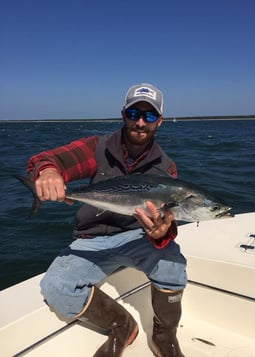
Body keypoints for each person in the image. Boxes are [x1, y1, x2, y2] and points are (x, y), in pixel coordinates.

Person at [27, 83, 187, 357]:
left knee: (173, 264)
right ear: (123, 114)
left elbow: (166, 221)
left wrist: (161, 234)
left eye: (149, 116)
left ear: (159, 121)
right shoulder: (97, 147)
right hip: (92, 238)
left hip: (139, 237)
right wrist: (48, 171)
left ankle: (164, 338)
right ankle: (121, 326)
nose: (140, 122)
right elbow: (45, 158)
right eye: (134, 112)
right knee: (55, 287)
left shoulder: (166, 168)